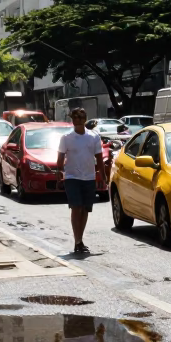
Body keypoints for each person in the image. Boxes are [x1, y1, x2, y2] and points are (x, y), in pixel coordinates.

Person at [56, 108, 104, 254]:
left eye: (80, 117)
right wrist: (59, 172)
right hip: (72, 178)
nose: (77, 120)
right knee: (76, 208)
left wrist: (103, 176)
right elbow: (60, 158)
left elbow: (99, 158)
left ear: (85, 119)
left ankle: (80, 239)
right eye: (74, 117)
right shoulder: (66, 138)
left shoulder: (94, 137)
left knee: (85, 209)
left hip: (89, 177)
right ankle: (77, 240)